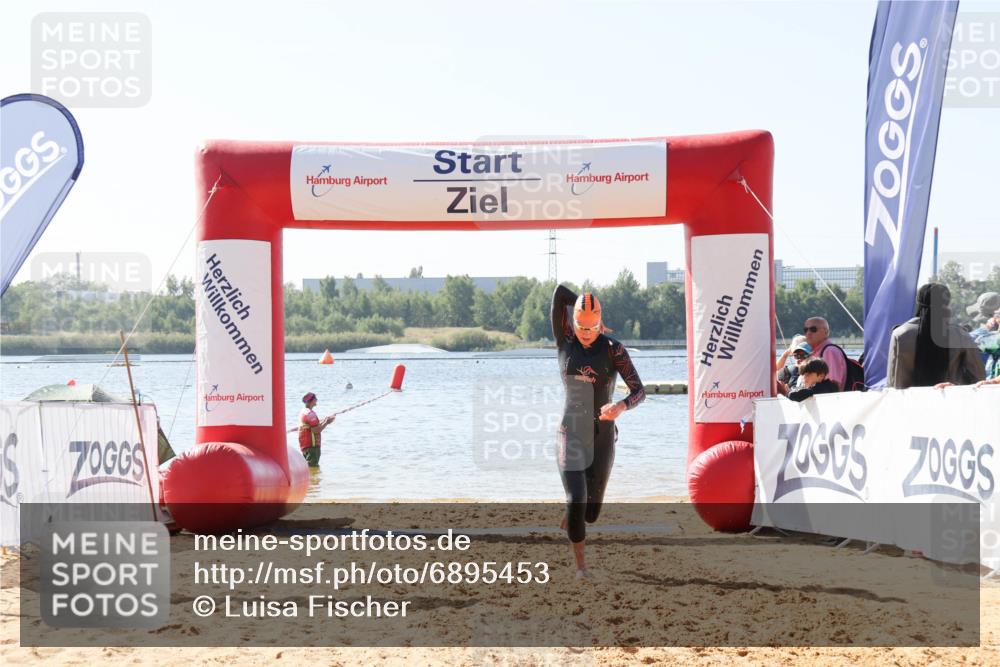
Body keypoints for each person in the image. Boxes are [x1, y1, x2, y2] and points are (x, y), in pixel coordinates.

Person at [551, 284, 645, 579]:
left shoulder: (613, 349)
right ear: (574, 321)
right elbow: (558, 294)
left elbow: (639, 391)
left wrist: (620, 407)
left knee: (591, 513)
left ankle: (574, 515)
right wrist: (582, 298)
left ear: (600, 322)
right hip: (570, 433)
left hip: (602, 437)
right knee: (576, 498)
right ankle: (581, 568)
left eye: (592, 327)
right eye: (581, 326)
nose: (586, 332)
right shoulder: (565, 341)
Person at [887, 283, 985, 389]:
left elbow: (893, 379)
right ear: (947, 303)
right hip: (950, 400)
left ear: (919, 301)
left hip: (909, 400)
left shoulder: (900, 334)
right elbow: (978, 374)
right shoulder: (960, 334)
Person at [803, 317, 847, 391]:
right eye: (805, 330)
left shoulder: (829, 351)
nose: (808, 333)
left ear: (826, 332)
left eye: (813, 329)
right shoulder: (816, 352)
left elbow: (834, 386)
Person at [298, 392, 334, 467]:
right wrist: (327, 422)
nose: (317, 400)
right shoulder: (310, 414)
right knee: (313, 467)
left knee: (310, 468)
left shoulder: (303, 411)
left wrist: (325, 420)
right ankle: (313, 479)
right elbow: (315, 430)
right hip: (312, 447)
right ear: (311, 401)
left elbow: (313, 426)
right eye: (315, 399)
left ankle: (312, 479)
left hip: (305, 446)